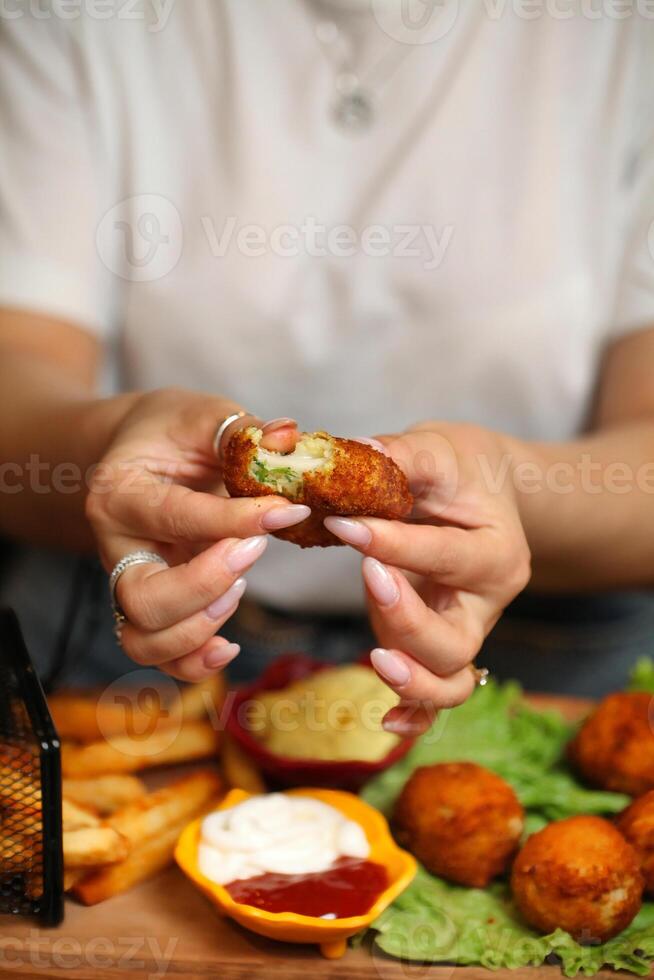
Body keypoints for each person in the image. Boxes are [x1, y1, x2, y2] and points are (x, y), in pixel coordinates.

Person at [0, 3, 653, 729]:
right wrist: (113, 436)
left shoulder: (619, 33)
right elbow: (17, 373)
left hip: (551, 655)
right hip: (127, 644)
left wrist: (506, 483)